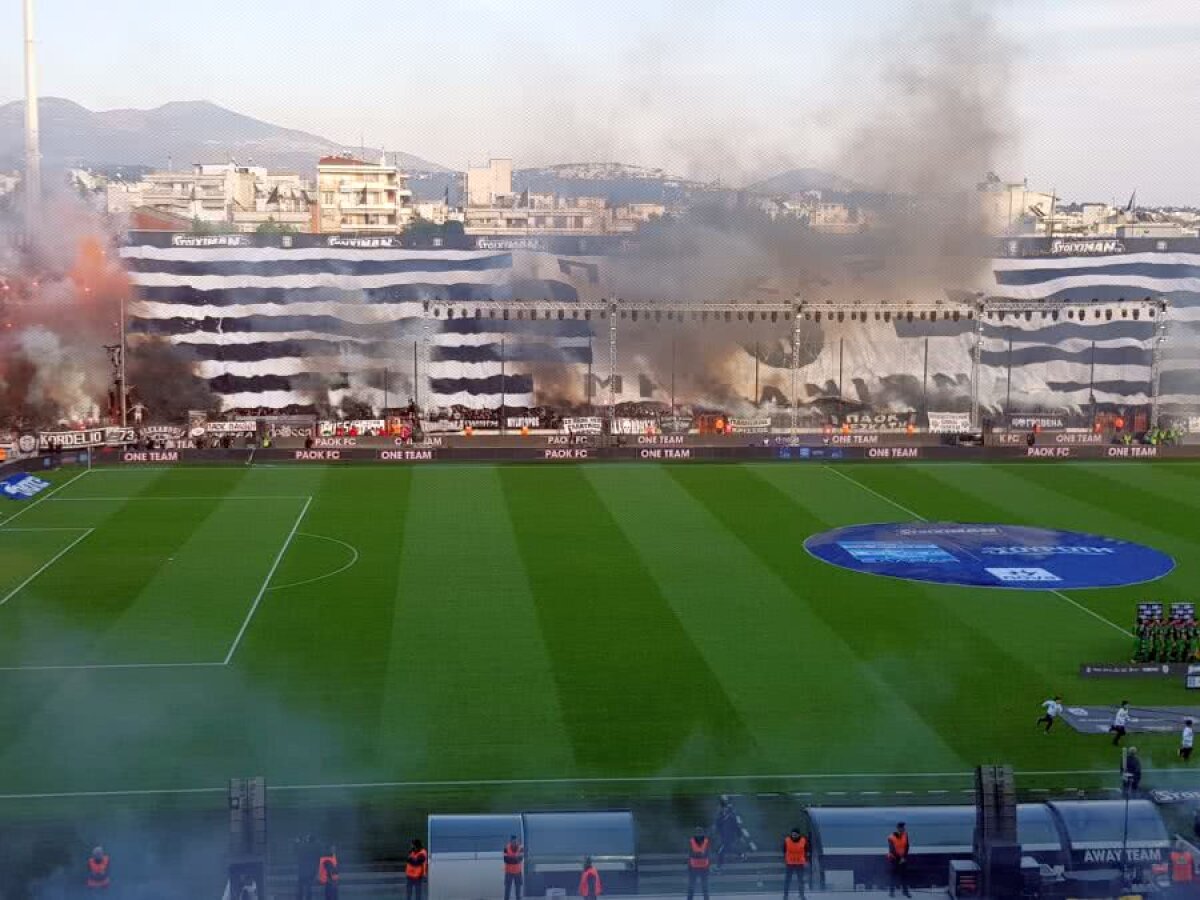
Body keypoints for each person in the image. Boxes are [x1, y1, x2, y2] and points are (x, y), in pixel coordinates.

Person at [714, 797, 743, 869]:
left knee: (721, 851)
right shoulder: (721, 816)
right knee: (728, 849)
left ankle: (718, 867)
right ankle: (741, 854)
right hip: (724, 837)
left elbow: (737, 828)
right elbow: (718, 825)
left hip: (728, 837)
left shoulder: (731, 818)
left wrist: (740, 836)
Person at [782, 828, 808, 900]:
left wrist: (806, 861)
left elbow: (806, 851)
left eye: (795, 834)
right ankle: (785, 895)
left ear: (798, 834)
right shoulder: (787, 840)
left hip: (800, 863)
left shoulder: (803, 840)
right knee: (787, 880)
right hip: (790, 863)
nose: (793, 835)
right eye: (792, 834)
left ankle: (802, 895)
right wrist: (785, 859)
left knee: (800, 880)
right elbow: (784, 850)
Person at [687, 827, 711, 900]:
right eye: (698, 833)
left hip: (701, 868)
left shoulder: (706, 841)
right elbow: (690, 854)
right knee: (693, 887)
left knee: (704, 888)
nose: (699, 834)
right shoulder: (691, 841)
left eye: (700, 832)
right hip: (697, 868)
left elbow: (707, 853)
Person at [887, 822, 911, 898]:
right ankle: (891, 892)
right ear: (898, 828)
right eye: (902, 827)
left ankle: (905, 892)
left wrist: (904, 857)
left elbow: (907, 846)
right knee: (893, 876)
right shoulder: (891, 837)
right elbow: (892, 850)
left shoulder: (905, 835)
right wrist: (900, 858)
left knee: (904, 875)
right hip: (894, 859)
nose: (904, 828)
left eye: (904, 827)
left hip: (903, 859)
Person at [295, 834, 321, 900]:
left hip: (303, 871)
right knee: (308, 888)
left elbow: (296, 850)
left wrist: (297, 842)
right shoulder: (316, 847)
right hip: (311, 870)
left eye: (307, 838)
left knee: (301, 888)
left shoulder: (304, 847)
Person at [503, 834, 524, 900]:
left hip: (518, 872)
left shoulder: (521, 848)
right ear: (510, 841)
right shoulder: (506, 848)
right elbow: (506, 860)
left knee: (518, 891)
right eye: (513, 841)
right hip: (508, 872)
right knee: (507, 890)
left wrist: (512, 858)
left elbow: (520, 859)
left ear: (517, 841)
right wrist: (515, 858)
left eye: (515, 841)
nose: (514, 842)